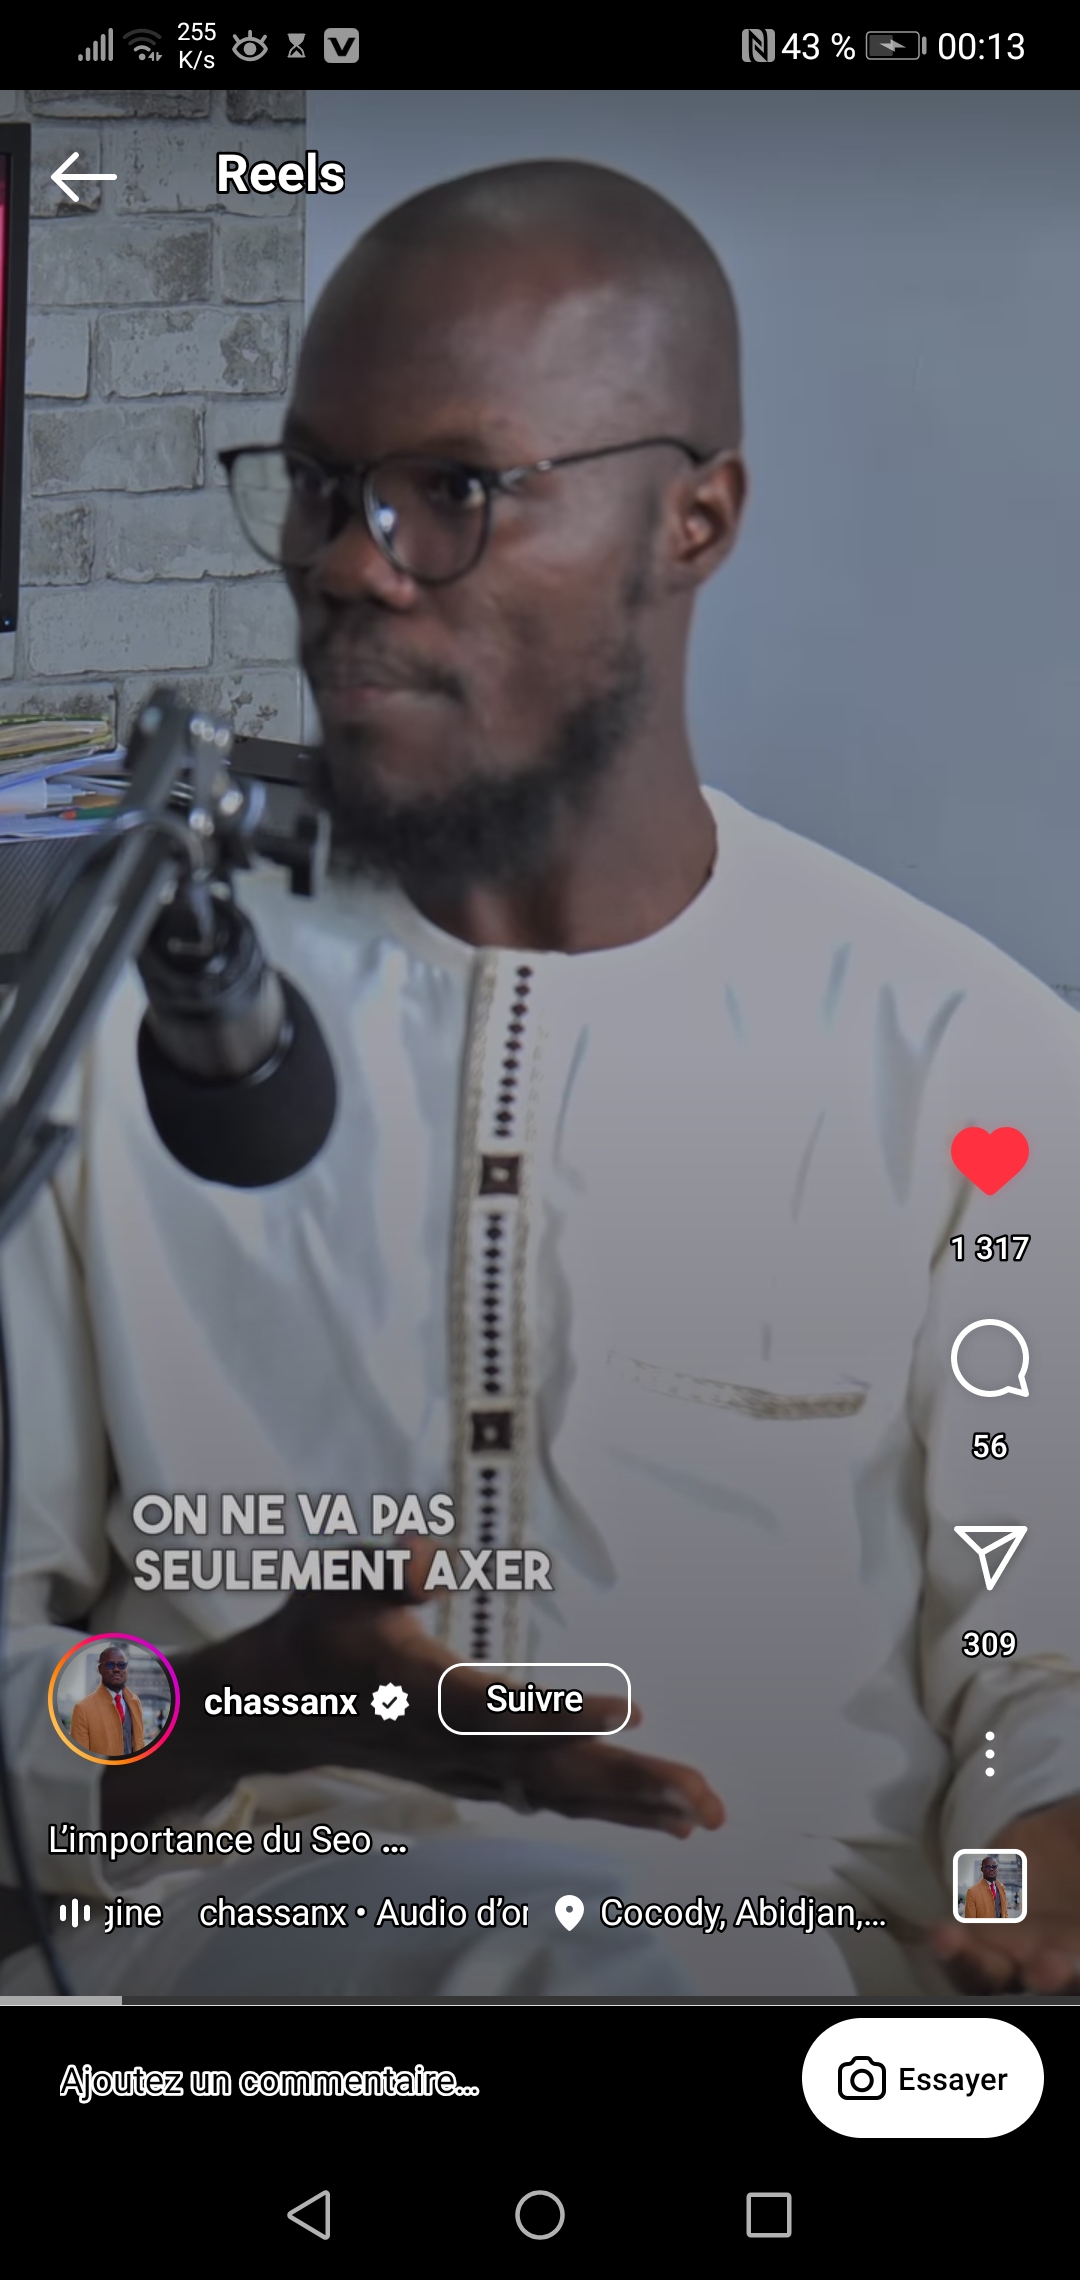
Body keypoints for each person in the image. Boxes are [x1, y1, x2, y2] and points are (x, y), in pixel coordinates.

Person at [3, 158, 1080, 2002]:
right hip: (239, 1962)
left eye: (455, 491)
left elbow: (1045, 1658)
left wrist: (1049, 1849)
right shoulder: (112, 1023)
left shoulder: (965, 1059)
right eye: (321, 487)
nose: (351, 561)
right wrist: (243, 1706)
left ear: (695, 520)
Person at [69, 1647, 145, 1759]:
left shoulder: (135, 1702)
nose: (116, 1669)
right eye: (110, 1665)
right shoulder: (82, 1709)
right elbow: (79, 1759)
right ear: (100, 1669)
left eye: (122, 1665)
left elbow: (139, 1743)